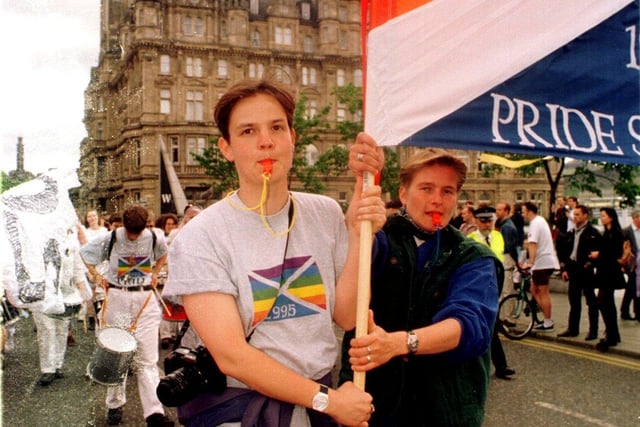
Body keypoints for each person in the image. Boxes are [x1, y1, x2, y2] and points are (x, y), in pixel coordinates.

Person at [162, 79, 386, 427]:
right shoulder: (200, 236)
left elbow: (346, 316)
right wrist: (328, 401)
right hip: (243, 411)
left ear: (292, 138)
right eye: (248, 131)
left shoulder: (324, 213)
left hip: (320, 406)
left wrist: (359, 231)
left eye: (276, 127)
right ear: (227, 148)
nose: (266, 141)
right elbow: (232, 357)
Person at [342, 148, 501, 426]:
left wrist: (398, 343)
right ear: (403, 193)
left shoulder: (473, 255)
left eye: (448, 191)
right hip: (375, 407)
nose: (437, 200)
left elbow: (469, 325)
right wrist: (358, 230)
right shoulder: (379, 239)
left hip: (443, 411)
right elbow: (347, 304)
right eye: (426, 188)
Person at [81, 204, 174, 427]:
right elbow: (85, 254)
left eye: (137, 232)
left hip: (144, 300)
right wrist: (96, 275)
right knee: (116, 354)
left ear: (144, 227)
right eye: (129, 231)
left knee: (148, 359)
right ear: (124, 224)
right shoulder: (111, 237)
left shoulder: (153, 237)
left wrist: (154, 273)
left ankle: (154, 413)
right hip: (118, 299)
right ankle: (114, 404)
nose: (132, 237)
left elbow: (163, 254)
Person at [32, 227, 91, 385]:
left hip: (66, 292)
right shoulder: (36, 236)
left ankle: (57, 364)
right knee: (46, 329)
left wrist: (81, 290)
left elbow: (77, 267)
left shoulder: (72, 240)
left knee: (61, 328)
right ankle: (47, 369)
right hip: (44, 292)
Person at [468, 206, 514, 380]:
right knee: (482, 329)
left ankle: (500, 366)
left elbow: (498, 260)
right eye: (483, 221)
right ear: (476, 221)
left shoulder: (498, 236)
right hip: (477, 289)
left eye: (490, 221)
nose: (487, 224)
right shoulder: (470, 239)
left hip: (494, 286)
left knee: (492, 328)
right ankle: (494, 367)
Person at [557, 205, 601, 340]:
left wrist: (590, 264)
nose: (575, 217)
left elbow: (599, 252)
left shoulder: (593, 232)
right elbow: (566, 253)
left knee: (591, 301)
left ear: (585, 216)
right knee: (574, 301)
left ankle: (593, 331)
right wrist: (564, 269)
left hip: (586, 270)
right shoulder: (571, 233)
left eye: (578, 214)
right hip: (574, 269)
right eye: (574, 214)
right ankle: (572, 328)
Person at [520, 202, 559, 332]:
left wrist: (530, 262)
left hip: (542, 262)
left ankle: (548, 322)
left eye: (523, 211)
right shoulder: (540, 221)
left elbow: (532, 244)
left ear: (530, 211)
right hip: (544, 261)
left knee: (542, 292)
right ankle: (545, 318)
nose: (522, 214)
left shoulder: (535, 223)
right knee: (534, 290)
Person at [593, 207, 624, 352]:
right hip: (605, 271)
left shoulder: (615, 234)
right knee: (606, 303)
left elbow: (614, 253)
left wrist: (599, 255)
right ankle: (613, 333)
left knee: (604, 302)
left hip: (610, 272)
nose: (601, 218)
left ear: (611, 217)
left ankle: (611, 334)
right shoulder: (607, 233)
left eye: (604, 215)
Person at [495, 201, 519, 298]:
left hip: (507, 258)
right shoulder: (502, 225)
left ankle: (507, 312)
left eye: (500, 210)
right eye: (497, 209)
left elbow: (509, 246)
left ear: (506, 211)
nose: (497, 212)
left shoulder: (507, 227)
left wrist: (516, 261)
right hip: (504, 257)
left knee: (506, 289)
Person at [620, 209, 640, 321]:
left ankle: (627, 310)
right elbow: (622, 248)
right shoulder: (626, 231)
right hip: (631, 263)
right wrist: (623, 264)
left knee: (633, 287)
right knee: (633, 286)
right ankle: (630, 311)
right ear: (635, 218)